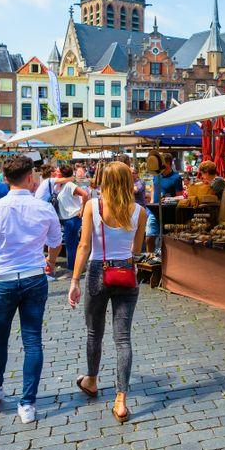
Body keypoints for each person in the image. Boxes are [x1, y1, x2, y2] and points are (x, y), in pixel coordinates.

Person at [0, 155, 62, 425]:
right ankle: (28, 403)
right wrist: (50, 263)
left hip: (5, 279)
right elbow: (56, 241)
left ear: (4, 178)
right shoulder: (44, 208)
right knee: (32, 339)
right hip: (34, 277)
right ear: (30, 177)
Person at [69, 162, 147, 423]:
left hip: (97, 271)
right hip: (126, 274)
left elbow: (83, 246)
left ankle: (91, 380)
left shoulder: (93, 205)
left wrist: (74, 281)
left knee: (94, 332)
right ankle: (121, 400)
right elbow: (136, 251)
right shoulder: (139, 212)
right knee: (123, 339)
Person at [52, 165, 90, 280]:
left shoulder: (69, 185)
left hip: (72, 218)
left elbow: (85, 194)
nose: (56, 173)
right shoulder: (61, 185)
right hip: (67, 219)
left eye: (57, 171)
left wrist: (82, 210)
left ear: (62, 173)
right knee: (72, 244)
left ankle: (72, 269)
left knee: (71, 245)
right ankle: (79, 266)